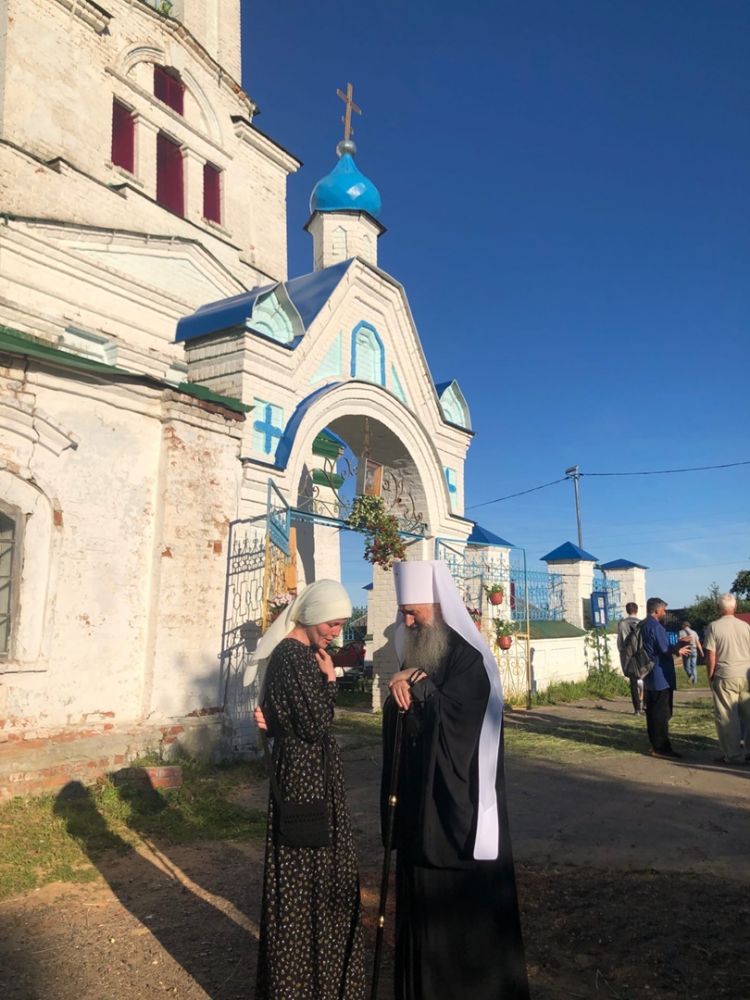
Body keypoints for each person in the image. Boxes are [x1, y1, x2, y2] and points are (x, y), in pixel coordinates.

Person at [382, 559, 529, 1000]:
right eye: (404, 614)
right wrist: (401, 692)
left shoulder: (469, 657)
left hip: (458, 810)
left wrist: (421, 689)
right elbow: (406, 717)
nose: (407, 623)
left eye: (413, 613)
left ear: (439, 606)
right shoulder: (417, 651)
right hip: (420, 805)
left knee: (463, 917)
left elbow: (464, 725)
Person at [249, 579, 366, 1000]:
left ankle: (315, 977)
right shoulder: (294, 656)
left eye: (341, 624)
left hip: (308, 773)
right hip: (305, 777)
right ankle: (304, 980)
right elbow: (315, 724)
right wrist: (331, 680)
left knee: (315, 872)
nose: (336, 632)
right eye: (332, 623)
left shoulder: (298, 656)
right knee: (307, 873)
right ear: (312, 616)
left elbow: (283, 716)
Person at [703, 593, 750, 766]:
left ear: (718, 608)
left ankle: (733, 755)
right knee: (748, 715)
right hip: (746, 674)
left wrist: (710, 674)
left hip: (725, 675)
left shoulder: (714, 627)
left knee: (727, 716)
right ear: (735, 607)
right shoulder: (745, 626)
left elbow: (711, 655)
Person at [641, 597, 690, 759]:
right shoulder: (656, 627)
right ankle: (661, 747)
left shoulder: (643, 625)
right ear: (656, 610)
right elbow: (664, 649)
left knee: (652, 711)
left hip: (649, 673)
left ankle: (655, 743)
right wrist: (678, 649)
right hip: (661, 674)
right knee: (661, 713)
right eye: (663, 610)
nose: (665, 613)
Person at [617, 602, 644, 713]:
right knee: (644, 677)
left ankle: (637, 709)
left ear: (627, 610)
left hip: (628, 655)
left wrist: (622, 652)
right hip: (642, 654)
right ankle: (646, 704)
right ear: (637, 610)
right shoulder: (642, 624)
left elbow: (620, 642)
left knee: (633, 682)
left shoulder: (622, 624)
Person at [678, 620, 704, 685]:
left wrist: (681, 640)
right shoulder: (694, 632)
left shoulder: (681, 632)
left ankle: (691, 676)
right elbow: (698, 642)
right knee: (693, 666)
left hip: (687, 649)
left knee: (686, 666)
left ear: (683, 625)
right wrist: (701, 651)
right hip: (694, 649)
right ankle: (695, 681)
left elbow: (680, 640)